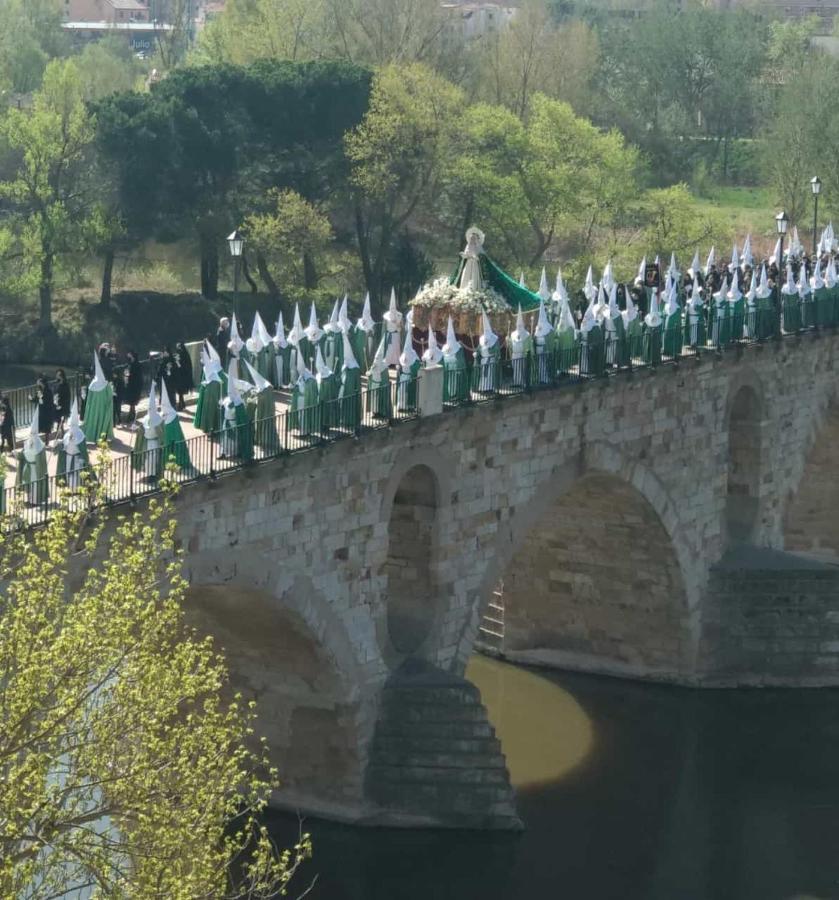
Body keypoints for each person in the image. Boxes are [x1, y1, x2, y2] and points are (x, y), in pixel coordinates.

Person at [82, 351, 114, 444]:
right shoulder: (106, 385)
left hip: (93, 409)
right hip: (103, 409)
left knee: (94, 421)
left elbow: (88, 400)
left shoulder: (92, 384)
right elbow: (109, 398)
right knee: (101, 421)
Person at [29, 376, 56, 442]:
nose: (37, 384)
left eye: (39, 383)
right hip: (41, 410)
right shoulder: (39, 390)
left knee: (47, 425)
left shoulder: (48, 391)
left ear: (42, 383)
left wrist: (41, 399)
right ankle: (37, 440)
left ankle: (47, 440)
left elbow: (48, 401)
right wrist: (31, 399)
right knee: (39, 424)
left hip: (47, 410)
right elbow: (36, 399)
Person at [123, 350, 143, 426]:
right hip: (131, 384)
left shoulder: (136, 364)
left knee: (133, 400)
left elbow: (136, 375)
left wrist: (129, 375)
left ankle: (131, 415)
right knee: (132, 401)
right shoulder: (131, 363)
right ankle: (132, 414)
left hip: (135, 384)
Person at [174, 341, 194, 411]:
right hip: (179, 375)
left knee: (180, 391)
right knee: (180, 392)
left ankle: (181, 405)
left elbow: (186, 366)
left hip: (183, 376)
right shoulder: (180, 353)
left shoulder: (184, 354)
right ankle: (182, 404)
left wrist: (178, 363)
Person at [53, 368, 72, 434]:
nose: (57, 376)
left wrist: (62, 405)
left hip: (63, 406)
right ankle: (61, 436)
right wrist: (55, 401)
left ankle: (60, 435)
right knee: (59, 422)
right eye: (57, 374)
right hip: (57, 405)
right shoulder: (56, 384)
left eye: (59, 375)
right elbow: (55, 393)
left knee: (60, 422)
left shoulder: (66, 385)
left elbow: (67, 397)